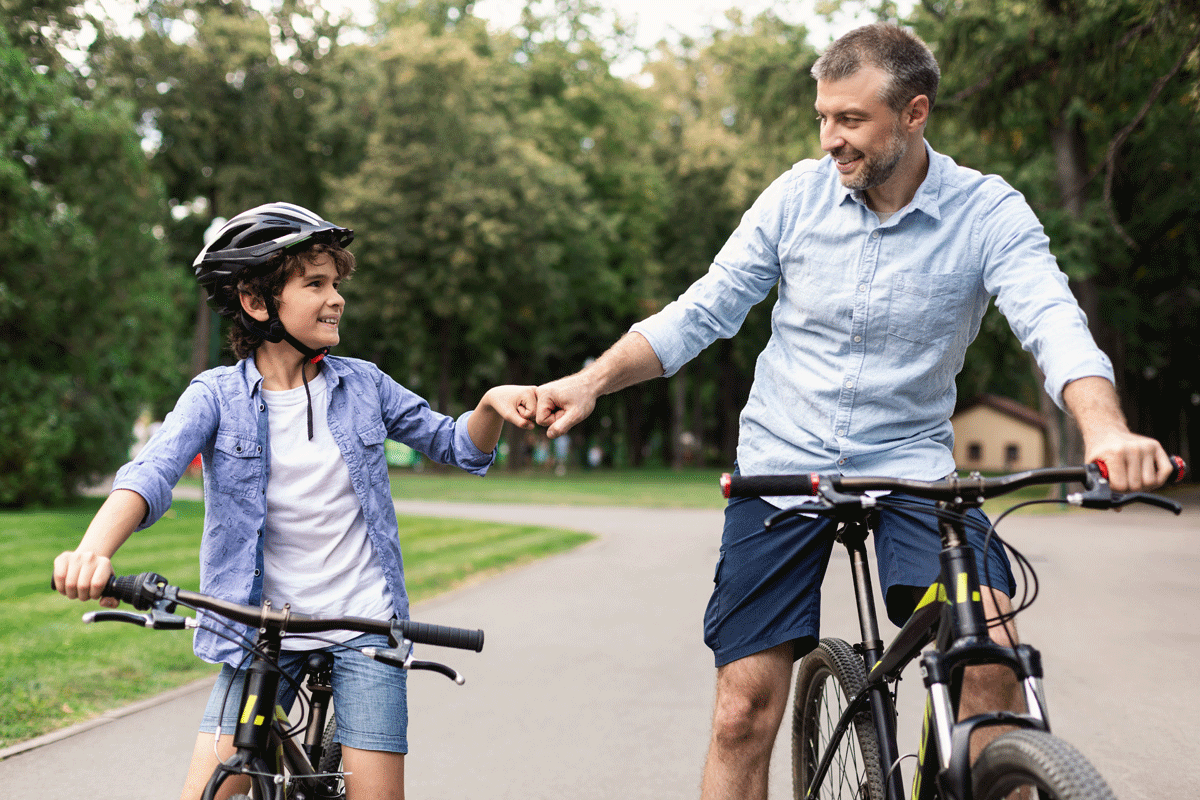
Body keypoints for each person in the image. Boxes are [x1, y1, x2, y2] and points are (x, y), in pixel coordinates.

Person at [534, 23, 1174, 800]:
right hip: (781, 466)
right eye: (823, 119)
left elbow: (1053, 322)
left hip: (912, 470)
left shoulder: (986, 212)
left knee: (992, 663)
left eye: (850, 120)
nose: (831, 139)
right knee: (743, 709)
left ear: (914, 113)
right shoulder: (795, 199)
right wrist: (593, 381)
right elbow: (700, 313)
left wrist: (1104, 427)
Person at [52, 202, 537, 800]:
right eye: (315, 284)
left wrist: (489, 407)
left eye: (336, 283)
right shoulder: (217, 396)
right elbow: (151, 473)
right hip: (262, 634)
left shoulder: (364, 384)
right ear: (258, 303)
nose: (335, 298)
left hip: (363, 624)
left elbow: (457, 445)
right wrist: (92, 551)